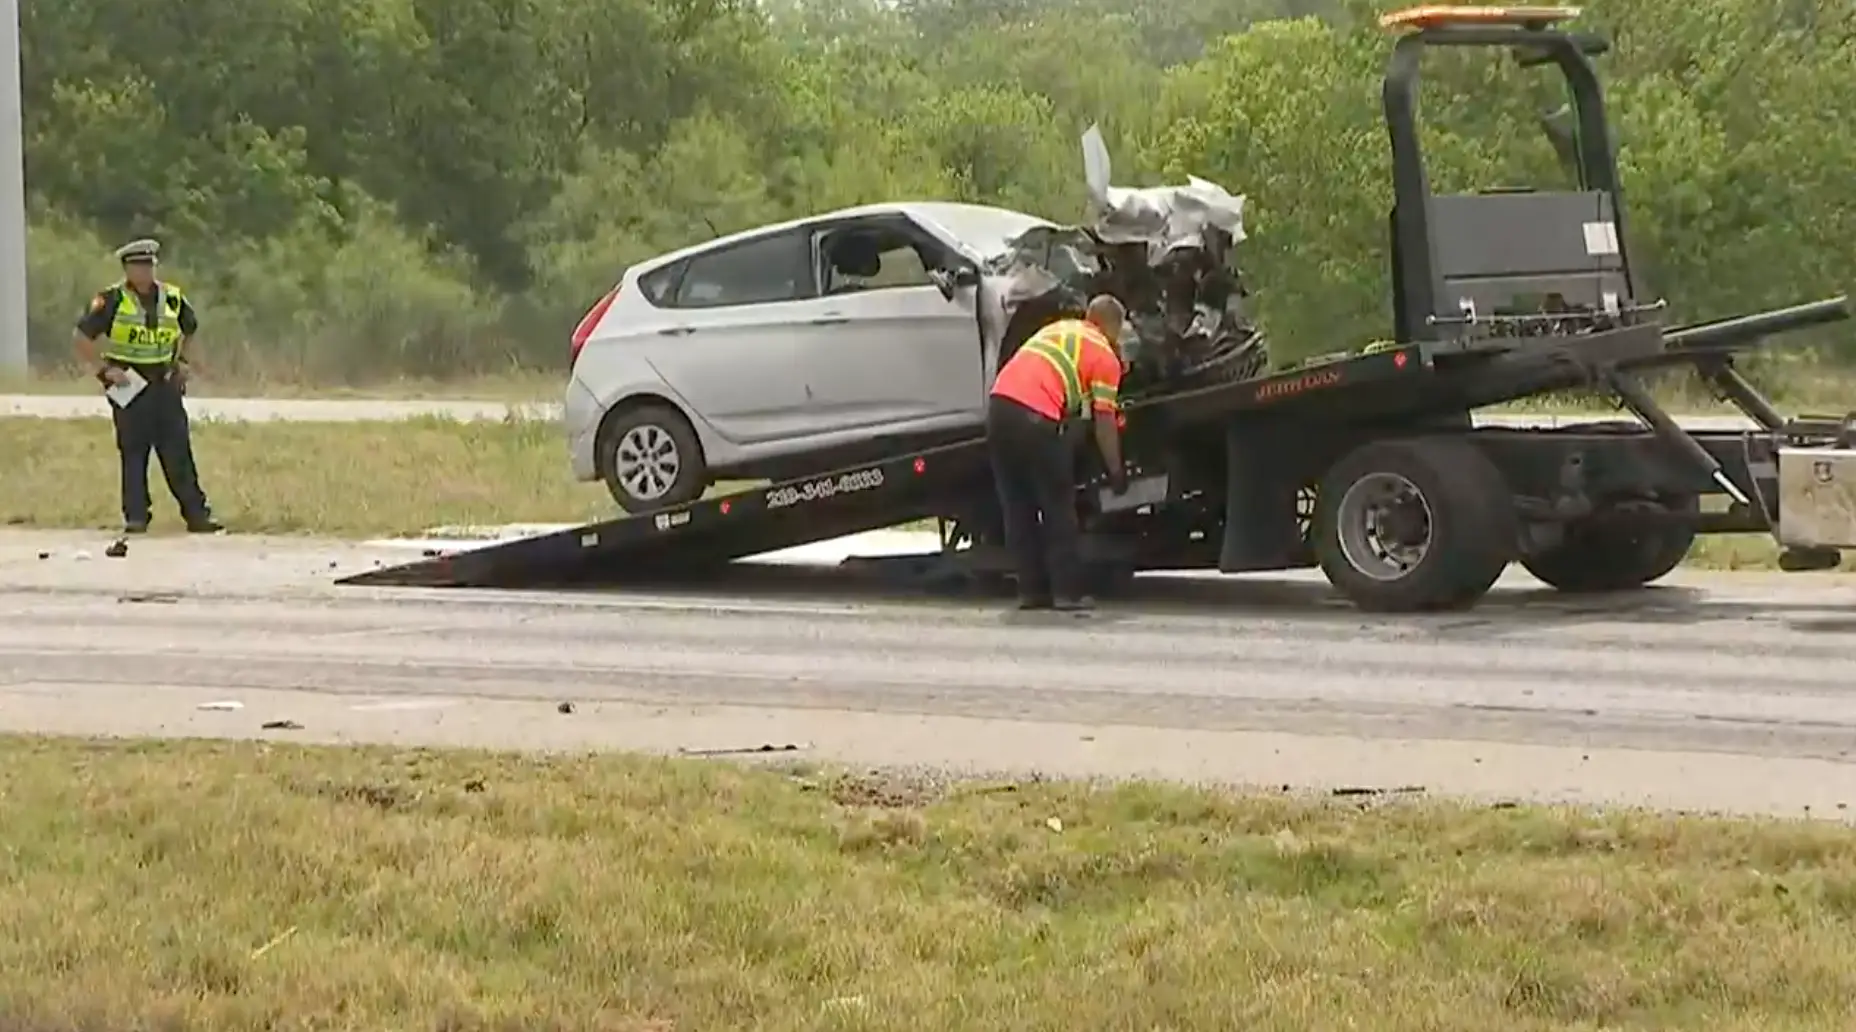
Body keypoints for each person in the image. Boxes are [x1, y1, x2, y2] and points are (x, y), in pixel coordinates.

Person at [986, 294, 1130, 612]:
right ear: (1114, 328)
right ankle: (1068, 593)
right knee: (1058, 507)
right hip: (1035, 416)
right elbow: (1104, 421)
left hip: (998, 409)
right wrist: (1116, 471)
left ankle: (1032, 592)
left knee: (1017, 508)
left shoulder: (1060, 329)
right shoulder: (1104, 355)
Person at [73, 239, 223, 535]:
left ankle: (196, 515)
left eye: (149, 265)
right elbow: (80, 338)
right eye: (138, 265)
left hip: (163, 381)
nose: (145, 271)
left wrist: (185, 363)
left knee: (178, 450)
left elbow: (190, 330)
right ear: (127, 268)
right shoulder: (111, 299)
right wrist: (104, 371)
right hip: (129, 382)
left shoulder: (173, 297)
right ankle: (136, 516)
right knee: (133, 451)